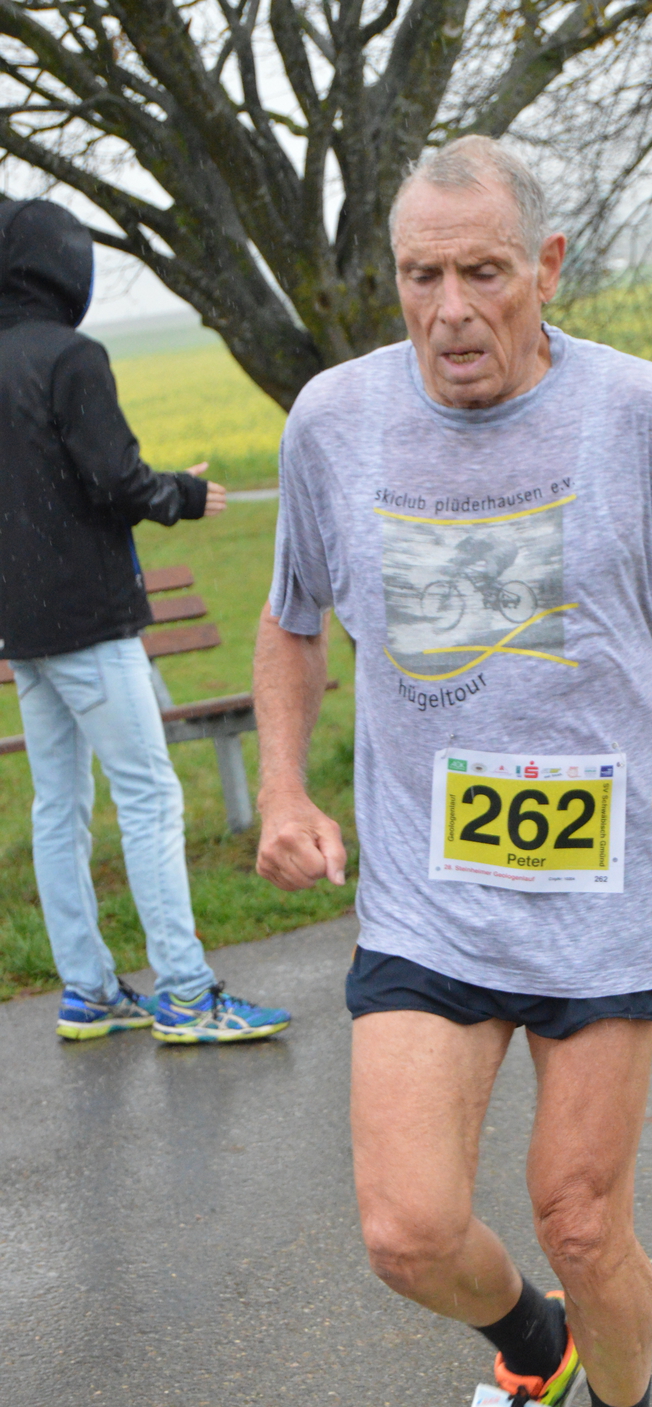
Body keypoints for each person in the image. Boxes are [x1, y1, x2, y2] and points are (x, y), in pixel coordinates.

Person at [254, 136, 652, 1407]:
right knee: (406, 1230)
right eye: (421, 275)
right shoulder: (334, 421)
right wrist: (284, 786)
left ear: (547, 268)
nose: (450, 310)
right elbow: (292, 617)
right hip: (429, 891)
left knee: (579, 1212)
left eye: (484, 272)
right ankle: (533, 1345)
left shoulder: (635, 412)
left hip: (609, 886)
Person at [0, 198, 290, 1045]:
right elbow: (114, 480)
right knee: (150, 796)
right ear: (62, 268)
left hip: (22, 628)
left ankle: (88, 991)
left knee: (58, 805)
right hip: (89, 621)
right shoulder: (72, 356)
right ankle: (188, 995)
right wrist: (184, 494)